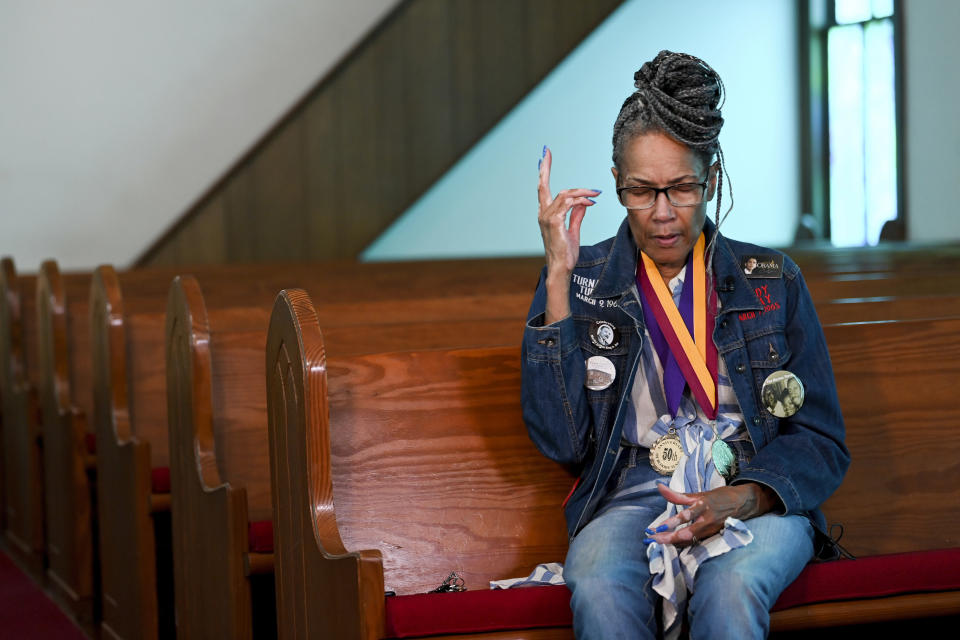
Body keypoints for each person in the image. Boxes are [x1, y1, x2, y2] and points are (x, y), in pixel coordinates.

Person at [521, 50, 849, 639]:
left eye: (682, 188)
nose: (663, 214)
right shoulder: (583, 281)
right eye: (642, 191)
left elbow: (822, 440)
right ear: (617, 183)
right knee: (594, 579)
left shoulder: (771, 280)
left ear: (713, 179)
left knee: (732, 584)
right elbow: (562, 442)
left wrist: (744, 497)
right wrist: (557, 281)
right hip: (634, 491)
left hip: (752, 486)